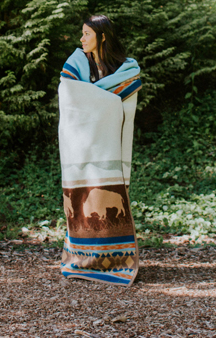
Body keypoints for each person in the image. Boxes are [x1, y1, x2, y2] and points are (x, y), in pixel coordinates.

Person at [57, 14, 141, 286]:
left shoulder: (126, 70)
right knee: (82, 203)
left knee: (109, 205)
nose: (81, 39)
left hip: (107, 149)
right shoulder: (76, 63)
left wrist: (97, 98)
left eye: (87, 34)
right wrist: (103, 100)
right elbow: (69, 95)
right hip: (82, 148)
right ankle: (82, 260)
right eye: (81, 33)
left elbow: (121, 103)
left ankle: (115, 261)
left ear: (102, 36)